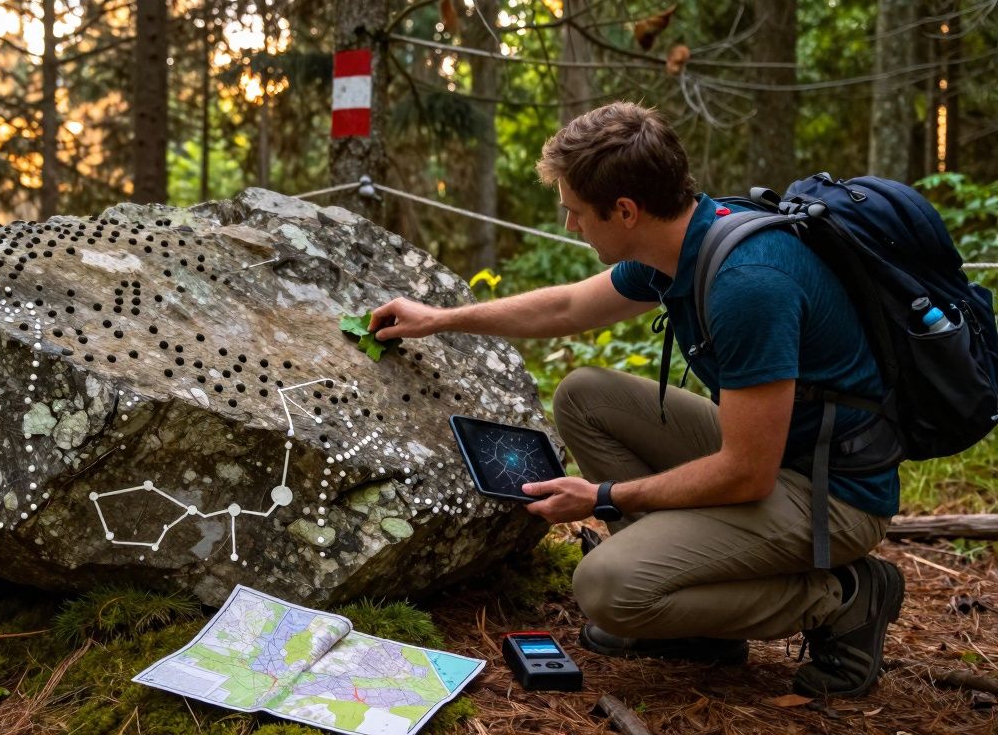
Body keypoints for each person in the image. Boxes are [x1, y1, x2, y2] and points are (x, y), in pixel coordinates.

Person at [368, 101, 904, 698]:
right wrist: (439, 319)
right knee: (585, 396)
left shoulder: (747, 284)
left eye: (575, 212)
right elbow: (569, 306)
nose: (570, 225)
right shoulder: (683, 241)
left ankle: (845, 598)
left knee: (607, 587)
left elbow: (747, 475)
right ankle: (701, 621)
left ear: (625, 210)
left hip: (832, 494)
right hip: (777, 456)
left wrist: (600, 498)